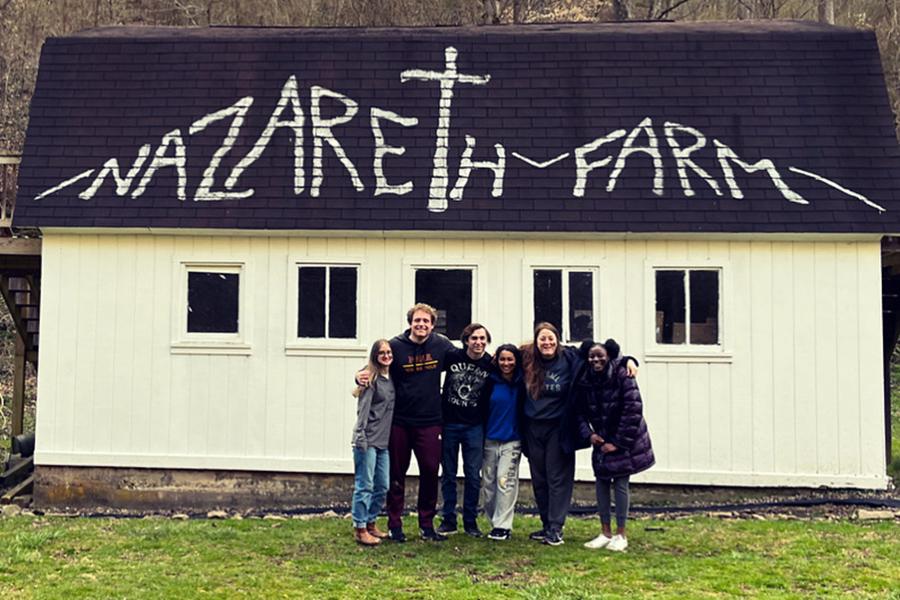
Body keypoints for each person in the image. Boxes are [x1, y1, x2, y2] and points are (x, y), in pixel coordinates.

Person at [520, 322, 637, 546]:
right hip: (532, 427)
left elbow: (601, 356)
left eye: (551, 338)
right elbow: (504, 359)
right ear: (536, 341)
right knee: (540, 479)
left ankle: (556, 528)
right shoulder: (527, 358)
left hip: (559, 427)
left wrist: (628, 360)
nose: (547, 342)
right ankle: (546, 525)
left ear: (558, 339)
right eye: (542, 338)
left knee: (557, 478)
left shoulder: (570, 357)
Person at [357, 303, 455, 542]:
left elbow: (465, 359)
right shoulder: (396, 346)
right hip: (399, 422)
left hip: (430, 421)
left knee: (430, 472)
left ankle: (426, 525)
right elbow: (375, 364)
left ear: (432, 325)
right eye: (417, 320)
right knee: (396, 474)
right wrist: (358, 376)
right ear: (410, 322)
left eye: (426, 321)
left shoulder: (441, 345)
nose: (421, 325)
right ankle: (394, 524)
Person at [575, 340, 655, 552]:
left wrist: (617, 443)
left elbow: (633, 411)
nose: (596, 360)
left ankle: (621, 534)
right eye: (592, 356)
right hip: (600, 439)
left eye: (600, 356)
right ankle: (605, 532)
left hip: (626, 438)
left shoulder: (623, 375)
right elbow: (578, 411)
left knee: (620, 483)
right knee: (601, 482)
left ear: (609, 356)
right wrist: (589, 434)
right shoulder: (584, 378)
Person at [437, 323, 493, 538]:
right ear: (466, 341)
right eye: (474, 338)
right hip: (449, 423)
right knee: (448, 474)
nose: (478, 342)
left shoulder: (490, 363)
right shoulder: (452, 357)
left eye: (482, 338)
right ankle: (448, 520)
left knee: (473, 475)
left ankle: (470, 521)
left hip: (475, 426)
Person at [350, 339, 395, 546]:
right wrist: (360, 436)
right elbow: (363, 410)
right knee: (364, 485)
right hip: (367, 440)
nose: (386, 356)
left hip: (383, 442)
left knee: (382, 485)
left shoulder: (391, 377)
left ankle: (371, 522)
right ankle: (360, 528)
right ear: (375, 356)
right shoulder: (371, 379)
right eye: (382, 353)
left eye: (389, 352)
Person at [479, 343, 525, 541]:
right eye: (502, 359)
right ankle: (493, 522)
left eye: (510, 359)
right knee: (488, 485)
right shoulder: (490, 382)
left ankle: (503, 526)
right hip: (489, 440)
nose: (506, 363)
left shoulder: (522, 383)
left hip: (512, 441)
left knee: (504, 481)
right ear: (496, 361)